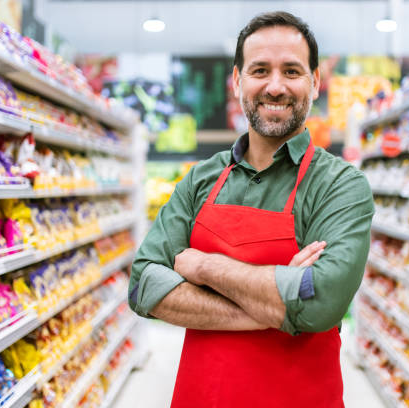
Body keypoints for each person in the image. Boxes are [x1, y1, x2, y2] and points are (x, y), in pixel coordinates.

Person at [128, 11, 374, 408]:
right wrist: (279, 302)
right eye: (260, 70)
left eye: (292, 71)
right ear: (237, 81)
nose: (275, 87)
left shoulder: (340, 185)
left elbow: (321, 304)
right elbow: (143, 286)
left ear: (314, 83)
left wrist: (204, 268)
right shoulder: (200, 181)